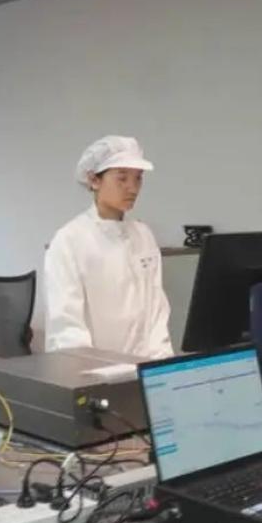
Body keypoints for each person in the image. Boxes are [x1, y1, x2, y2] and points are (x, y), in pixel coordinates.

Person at [44, 135, 175, 359]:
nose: (132, 188)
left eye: (138, 178)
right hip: (94, 370)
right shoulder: (69, 240)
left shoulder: (143, 235)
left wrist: (161, 365)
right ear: (94, 180)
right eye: (122, 178)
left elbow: (157, 311)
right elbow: (67, 327)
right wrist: (93, 372)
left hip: (146, 367)